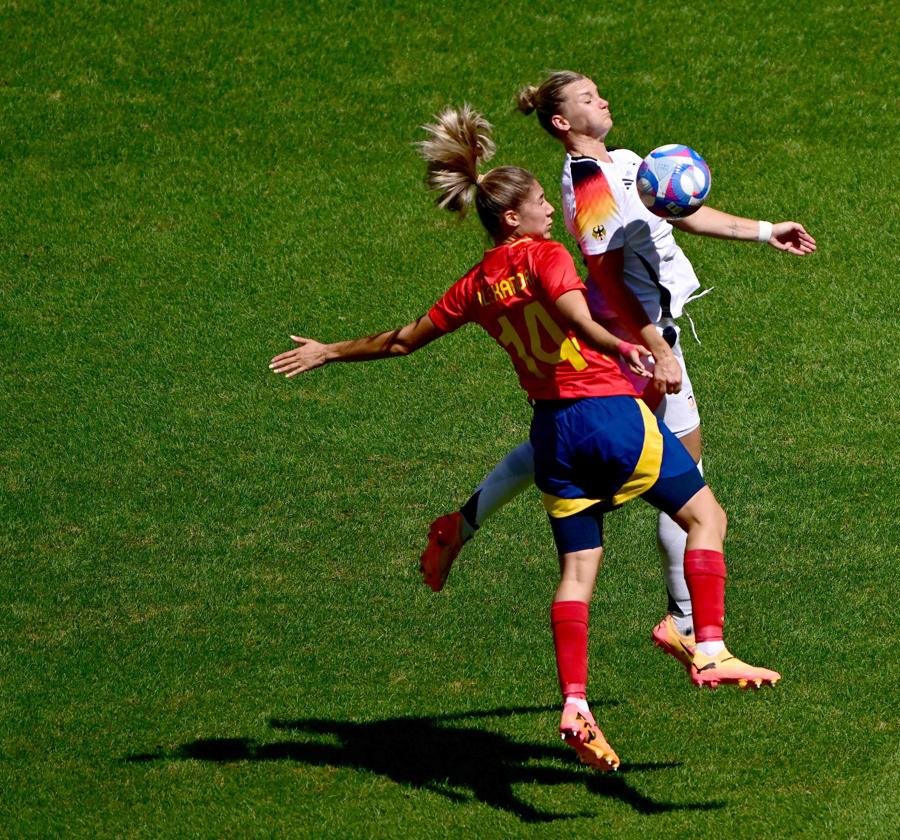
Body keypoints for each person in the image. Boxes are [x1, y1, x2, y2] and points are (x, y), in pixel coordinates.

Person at [269, 106, 780, 772]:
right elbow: (577, 314)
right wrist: (634, 347)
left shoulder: (474, 287)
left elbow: (401, 341)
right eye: (540, 202)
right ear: (512, 216)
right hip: (607, 415)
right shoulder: (545, 255)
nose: (550, 208)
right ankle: (707, 645)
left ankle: (575, 703)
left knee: (576, 573)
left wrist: (331, 351)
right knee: (705, 514)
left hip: (553, 433)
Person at [420, 71, 816, 676]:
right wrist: (654, 343)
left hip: (647, 337)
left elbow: (682, 214)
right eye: (585, 98)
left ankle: (462, 524)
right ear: (562, 123)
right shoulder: (588, 182)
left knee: (580, 447)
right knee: (680, 476)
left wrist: (765, 231)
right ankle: (688, 628)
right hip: (631, 343)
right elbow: (603, 278)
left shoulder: (632, 162)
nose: (601, 100)